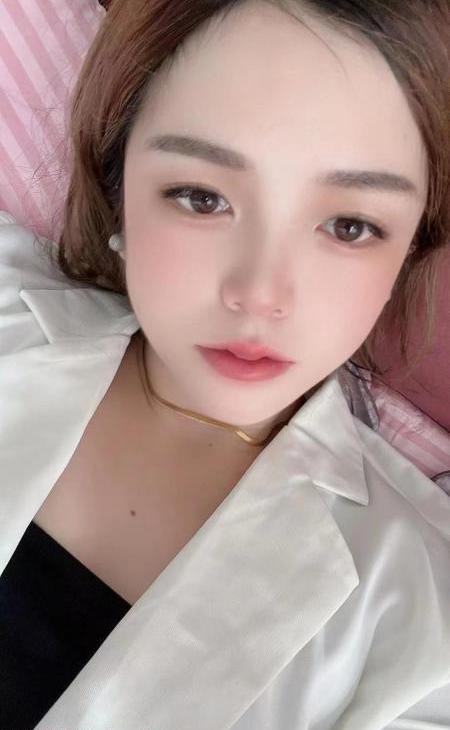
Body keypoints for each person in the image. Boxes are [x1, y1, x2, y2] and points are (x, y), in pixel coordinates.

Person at [0, 0, 449, 728]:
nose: (260, 294)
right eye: (201, 198)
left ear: (409, 250)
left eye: (350, 226)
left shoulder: (423, 632)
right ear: (119, 190)